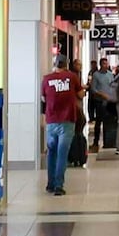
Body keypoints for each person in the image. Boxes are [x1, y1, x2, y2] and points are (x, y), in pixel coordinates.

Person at [39, 57, 84, 197]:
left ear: (54, 64)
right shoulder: (72, 77)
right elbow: (81, 94)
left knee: (51, 152)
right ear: (66, 65)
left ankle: (50, 184)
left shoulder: (46, 79)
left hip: (51, 121)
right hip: (68, 120)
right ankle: (59, 185)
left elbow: (43, 98)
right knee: (62, 154)